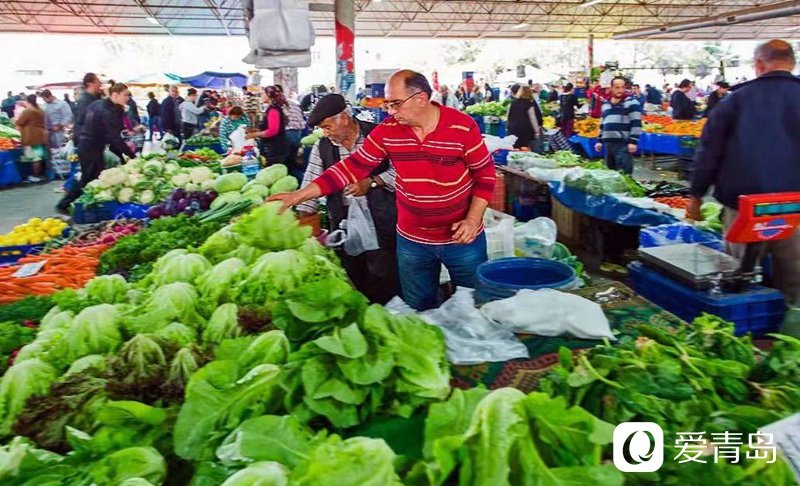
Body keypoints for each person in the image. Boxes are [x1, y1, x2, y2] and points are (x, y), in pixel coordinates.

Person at [268, 70, 495, 311]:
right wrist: (299, 195)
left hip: (462, 239)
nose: (390, 111)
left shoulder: (462, 126)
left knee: (475, 306)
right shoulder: (388, 130)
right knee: (418, 308)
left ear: (420, 98)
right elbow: (351, 167)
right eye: (387, 104)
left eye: (395, 104)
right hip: (412, 241)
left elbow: (485, 174)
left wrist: (472, 220)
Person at [688, 40, 800, 321]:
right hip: (796, 209)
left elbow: (709, 151)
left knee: (738, 278)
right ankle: (790, 338)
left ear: (759, 64)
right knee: (796, 281)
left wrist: (696, 195)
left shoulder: (736, 100)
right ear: (792, 63)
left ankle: (742, 336)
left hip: (745, 208)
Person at [297, 95, 400, 304]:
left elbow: (401, 171)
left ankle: (390, 314)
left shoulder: (378, 135)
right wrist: (304, 226)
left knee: (385, 275)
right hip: (344, 222)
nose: (325, 133)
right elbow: (312, 180)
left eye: (327, 127)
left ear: (343, 119)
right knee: (354, 274)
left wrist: (373, 181)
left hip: (381, 219)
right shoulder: (323, 146)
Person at [57, 84, 136, 214]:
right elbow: (115, 138)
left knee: (94, 176)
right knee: (87, 177)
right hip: (91, 148)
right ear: (115, 95)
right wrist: (132, 156)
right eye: (125, 95)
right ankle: (64, 204)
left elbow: (82, 121)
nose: (128, 98)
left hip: (89, 145)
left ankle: (92, 205)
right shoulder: (108, 111)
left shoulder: (97, 104)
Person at [594, 77, 642, 175]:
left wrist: (633, 141)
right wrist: (599, 140)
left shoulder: (632, 102)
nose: (620, 90)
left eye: (622, 87)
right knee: (610, 175)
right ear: (611, 88)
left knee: (624, 174)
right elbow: (603, 122)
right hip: (608, 144)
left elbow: (636, 123)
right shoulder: (606, 104)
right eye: (617, 87)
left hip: (623, 144)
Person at [245, 86, 290, 166]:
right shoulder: (272, 108)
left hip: (275, 149)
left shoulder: (273, 110)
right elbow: (267, 127)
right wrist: (253, 130)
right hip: (274, 147)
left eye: (263, 93)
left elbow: (272, 131)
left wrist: (253, 135)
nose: (261, 95)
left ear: (269, 96)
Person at [15, 94, 48, 183]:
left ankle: (33, 175)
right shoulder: (40, 110)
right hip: (40, 134)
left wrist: (15, 120)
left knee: (33, 157)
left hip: (30, 135)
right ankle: (38, 174)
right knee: (38, 157)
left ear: (27, 101)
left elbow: (20, 122)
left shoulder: (28, 111)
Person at [71, 73, 103, 150]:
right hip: (87, 143)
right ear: (90, 84)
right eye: (97, 81)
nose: (100, 84)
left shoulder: (92, 99)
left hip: (90, 141)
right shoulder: (86, 101)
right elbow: (84, 122)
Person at [507, 85, 543, 152]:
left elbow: (508, 115)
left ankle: (514, 160)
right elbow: (533, 118)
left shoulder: (513, 102)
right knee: (524, 148)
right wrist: (537, 131)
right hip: (524, 129)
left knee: (515, 147)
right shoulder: (529, 103)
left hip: (513, 128)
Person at [276, 84, 305, 166]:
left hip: (285, 135)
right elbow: (302, 124)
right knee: (293, 161)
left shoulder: (277, 106)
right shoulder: (294, 104)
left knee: (285, 164)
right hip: (297, 135)